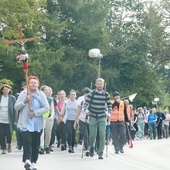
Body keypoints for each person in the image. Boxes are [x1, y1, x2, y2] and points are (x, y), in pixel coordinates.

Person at [15, 76, 49, 170]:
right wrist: (24, 101)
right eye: (31, 82)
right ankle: (27, 160)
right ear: (28, 84)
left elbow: (46, 108)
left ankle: (34, 162)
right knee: (27, 142)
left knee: (35, 143)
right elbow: (16, 107)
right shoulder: (23, 94)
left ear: (38, 84)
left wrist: (35, 113)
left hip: (37, 124)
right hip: (25, 124)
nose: (33, 84)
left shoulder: (41, 94)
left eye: (35, 83)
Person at [83, 78, 112, 159]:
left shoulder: (106, 94)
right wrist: (86, 110)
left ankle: (100, 152)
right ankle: (92, 147)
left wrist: (109, 113)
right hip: (93, 115)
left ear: (103, 85)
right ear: (95, 85)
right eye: (98, 84)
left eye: (101, 84)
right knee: (92, 135)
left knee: (102, 134)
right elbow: (86, 103)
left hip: (102, 116)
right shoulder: (91, 93)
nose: (100, 85)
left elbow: (109, 105)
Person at [0, 84, 17, 154]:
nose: (5, 90)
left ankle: (9, 143)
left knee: (9, 133)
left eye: (7, 89)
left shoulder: (12, 98)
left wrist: (15, 120)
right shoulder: (0, 97)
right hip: (1, 118)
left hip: (9, 119)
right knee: (1, 134)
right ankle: (3, 148)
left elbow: (15, 109)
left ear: (9, 90)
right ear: (2, 90)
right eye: (4, 89)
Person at [74, 87, 91, 156]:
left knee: (91, 136)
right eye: (85, 94)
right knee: (86, 135)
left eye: (88, 94)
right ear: (84, 94)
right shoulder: (81, 102)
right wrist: (76, 122)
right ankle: (87, 149)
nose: (86, 95)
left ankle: (90, 147)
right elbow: (78, 113)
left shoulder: (92, 102)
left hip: (91, 121)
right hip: (82, 120)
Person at [39, 85, 54, 154]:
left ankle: (47, 146)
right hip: (41, 116)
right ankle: (41, 146)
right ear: (42, 91)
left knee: (48, 132)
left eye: (48, 90)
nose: (48, 91)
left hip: (48, 116)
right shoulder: (39, 98)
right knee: (42, 132)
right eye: (46, 90)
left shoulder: (50, 99)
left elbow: (52, 109)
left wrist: (52, 116)